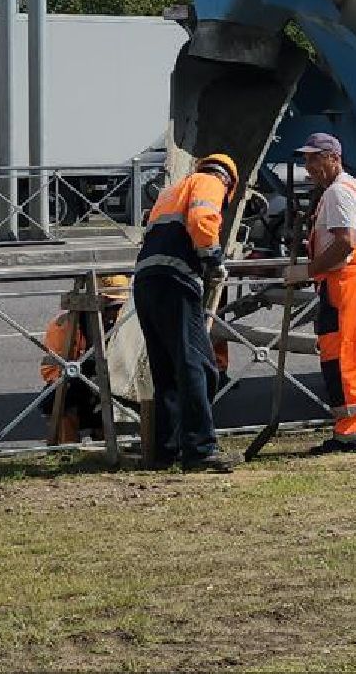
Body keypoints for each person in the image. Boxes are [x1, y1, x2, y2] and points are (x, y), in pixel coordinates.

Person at [133, 153, 240, 473]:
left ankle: (166, 450)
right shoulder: (209, 183)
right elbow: (203, 220)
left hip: (147, 281)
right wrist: (213, 259)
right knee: (200, 366)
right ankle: (199, 450)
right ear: (228, 182)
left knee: (166, 370)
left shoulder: (172, 191)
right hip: (176, 280)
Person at [285, 132, 356, 454]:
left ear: (333, 158)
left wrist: (307, 271)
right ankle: (349, 430)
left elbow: (344, 243)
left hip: (344, 281)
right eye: (306, 159)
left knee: (340, 356)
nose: (308, 166)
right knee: (351, 356)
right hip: (355, 278)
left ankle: (349, 435)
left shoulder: (339, 193)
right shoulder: (354, 188)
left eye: (314, 158)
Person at [38, 274, 129, 443]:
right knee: (57, 399)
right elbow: (51, 371)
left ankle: (109, 445)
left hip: (114, 383)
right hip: (75, 383)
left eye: (120, 306)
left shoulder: (128, 323)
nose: (115, 312)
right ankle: (66, 449)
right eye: (110, 306)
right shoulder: (64, 325)